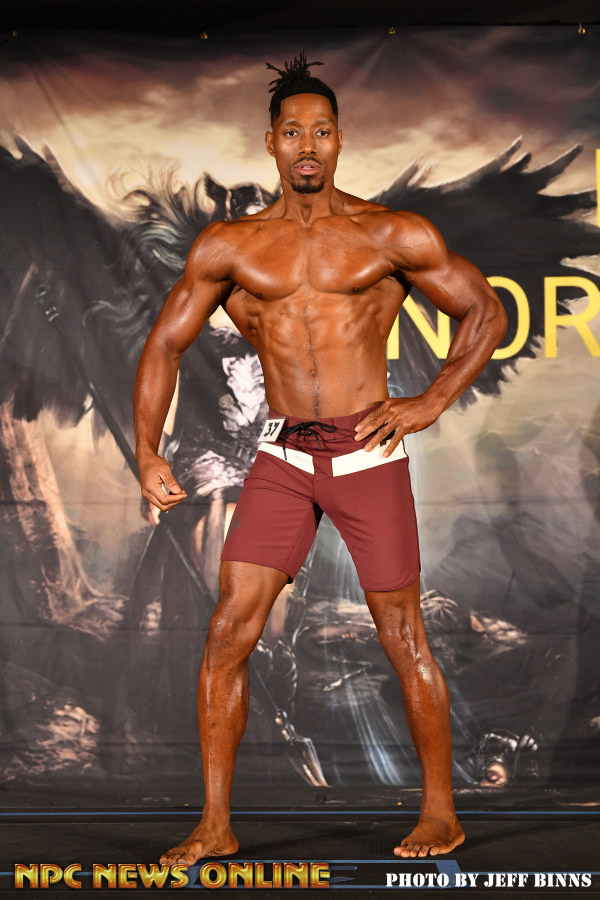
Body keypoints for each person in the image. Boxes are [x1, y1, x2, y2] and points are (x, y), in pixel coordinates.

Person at [133, 53, 507, 862]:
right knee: (228, 633)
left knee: (401, 633)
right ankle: (215, 825)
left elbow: (485, 309)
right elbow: (164, 344)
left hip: (366, 455)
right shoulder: (231, 246)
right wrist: (146, 451)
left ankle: (440, 813)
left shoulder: (389, 234)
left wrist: (431, 400)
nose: (308, 144)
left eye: (322, 131)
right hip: (283, 458)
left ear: (339, 141)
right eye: (293, 131)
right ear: (272, 142)